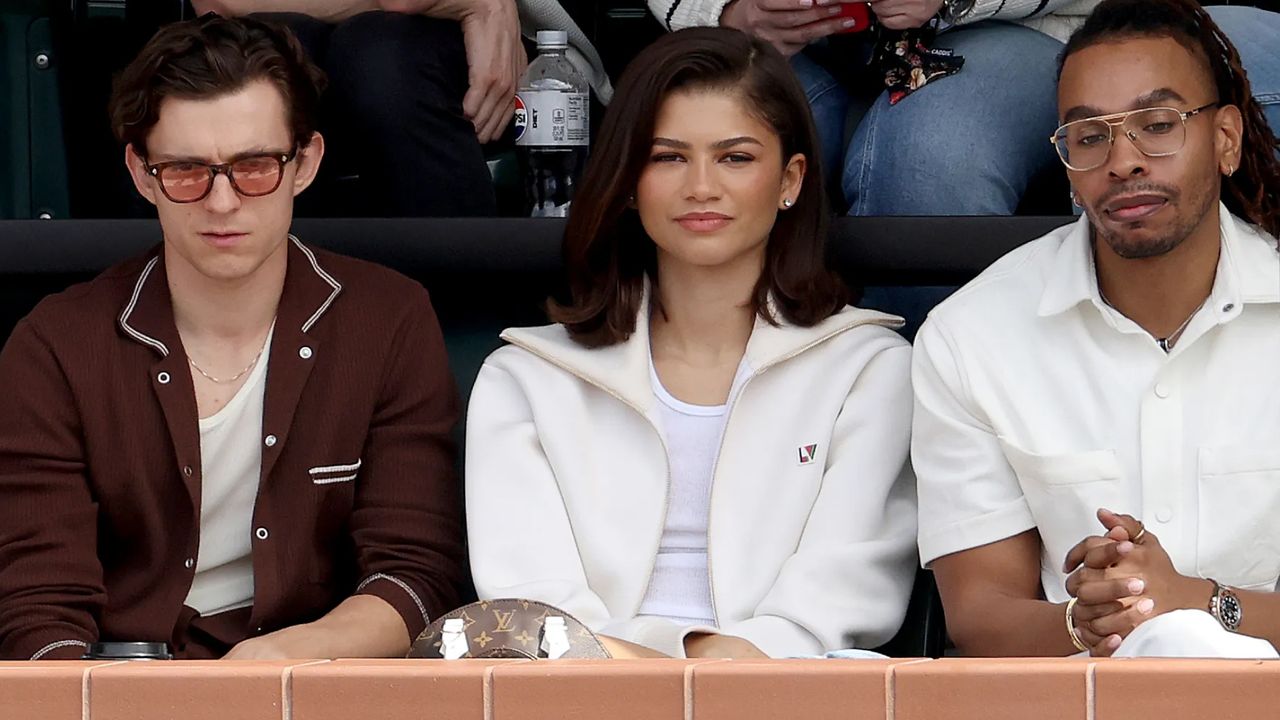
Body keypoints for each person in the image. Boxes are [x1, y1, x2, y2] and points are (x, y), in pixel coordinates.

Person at [0, 15, 467, 660]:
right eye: (187, 171)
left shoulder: (386, 319)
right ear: (141, 174)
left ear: (306, 162)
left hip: (313, 679)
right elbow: (37, 605)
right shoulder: (56, 344)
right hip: (113, 686)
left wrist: (275, 665)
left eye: (254, 167)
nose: (222, 202)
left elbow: (416, 572)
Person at [464, 27, 917, 660]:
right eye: (667, 157)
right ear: (627, 180)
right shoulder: (527, 377)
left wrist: (702, 669)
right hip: (586, 696)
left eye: (735, 157)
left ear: (790, 179)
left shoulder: (868, 369)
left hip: (788, 691)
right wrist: (656, 671)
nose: (701, 186)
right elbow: (536, 609)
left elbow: (840, 599)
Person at [912, 0, 1280, 658]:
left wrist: (1195, 602)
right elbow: (979, 613)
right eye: (1089, 137)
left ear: (1226, 139)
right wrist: (1083, 621)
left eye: (1158, 124)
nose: (1124, 160)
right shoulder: (972, 335)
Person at [649, 0, 1280, 218]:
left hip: (1033, 26)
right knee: (701, 137)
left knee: (927, 160)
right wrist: (725, 12)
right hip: (797, 52)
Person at [193, 0, 613, 216]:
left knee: (381, 60)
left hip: (528, 59)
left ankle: (466, 320)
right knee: (257, 65)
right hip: (329, 47)